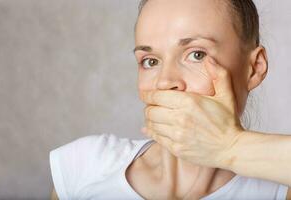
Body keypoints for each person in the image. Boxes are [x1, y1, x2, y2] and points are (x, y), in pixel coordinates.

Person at [49, 0, 291, 199]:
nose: (165, 82)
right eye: (150, 61)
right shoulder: (82, 168)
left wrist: (230, 146)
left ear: (254, 68)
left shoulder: (279, 191)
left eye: (196, 54)